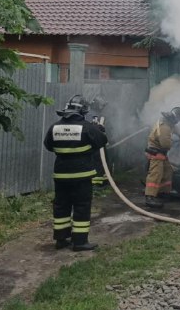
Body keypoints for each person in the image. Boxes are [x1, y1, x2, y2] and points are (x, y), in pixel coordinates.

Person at [44, 95, 108, 251]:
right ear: (83, 111)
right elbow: (102, 141)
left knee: (61, 206)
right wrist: (98, 129)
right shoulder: (87, 127)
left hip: (61, 175)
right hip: (81, 176)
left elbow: (48, 145)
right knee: (81, 206)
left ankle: (61, 239)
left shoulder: (54, 127)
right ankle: (80, 241)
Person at [144, 107, 180, 209]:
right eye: (178, 119)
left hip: (161, 153)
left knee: (168, 171)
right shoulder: (165, 127)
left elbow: (175, 130)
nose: (178, 122)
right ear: (175, 118)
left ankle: (163, 193)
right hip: (156, 152)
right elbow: (165, 144)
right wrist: (174, 142)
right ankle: (150, 197)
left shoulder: (168, 123)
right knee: (156, 174)